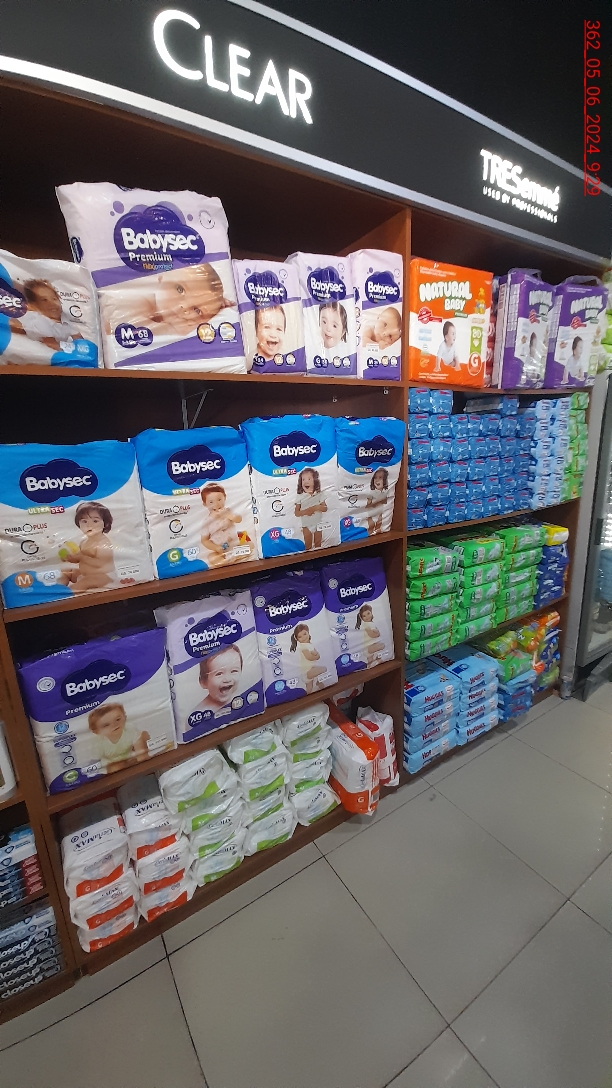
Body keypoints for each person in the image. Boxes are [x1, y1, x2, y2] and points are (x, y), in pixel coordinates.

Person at [101, 263, 234, 338]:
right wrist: (173, 329)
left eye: (197, 310)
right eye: (180, 289)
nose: (184, 307)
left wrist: (215, 307)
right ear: (161, 277)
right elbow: (124, 333)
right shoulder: (138, 301)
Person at [57, 501, 115, 593]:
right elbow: (79, 558)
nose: (89, 525)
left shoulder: (103, 543)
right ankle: (58, 587)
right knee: (66, 571)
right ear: (78, 524)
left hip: (103, 576)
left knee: (85, 582)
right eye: (84, 521)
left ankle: (68, 593)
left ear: (105, 523)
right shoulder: (84, 541)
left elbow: (100, 564)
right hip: (85, 574)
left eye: (95, 521)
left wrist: (82, 557)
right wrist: (70, 558)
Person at [9, 279, 80, 351]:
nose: (51, 303)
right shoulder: (39, 321)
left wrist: (81, 346)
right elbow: (52, 345)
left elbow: (79, 338)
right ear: (34, 306)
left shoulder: (65, 318)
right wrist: (76, 350)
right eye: (44, 300)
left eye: (54, 299)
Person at [88, 703, 150, 774]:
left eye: (118, 719)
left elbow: (141, 751)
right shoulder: (98, 742)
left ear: (125, 717)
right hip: (111, 762)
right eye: (106, 725)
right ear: (96, 731)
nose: (114, 725)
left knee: (144, 735)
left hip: (128, 755)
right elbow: (95, 762)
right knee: (115, 768)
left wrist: (142, 759)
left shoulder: (129, 729)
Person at [199, 483, 245, 564]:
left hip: (235, 545)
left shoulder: (229, 511)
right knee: (211, 557)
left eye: (219, 500)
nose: (216, 504)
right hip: (220, 550)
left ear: (225, 498)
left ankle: (235, 556)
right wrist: (216, 547)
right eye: (211, 502)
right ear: (205, 504)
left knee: (250, 544)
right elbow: (204, 540)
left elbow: (239, 519)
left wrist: (228, 515)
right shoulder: (207, 521)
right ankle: (228, 559)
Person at [193, 644, 243, 714]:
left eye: (234, 671)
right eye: (219, 674)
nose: (227, 679)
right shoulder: (199, 713)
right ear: (203, 682)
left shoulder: (242, 698)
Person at [290, 622, 328, 693]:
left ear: (308, 633)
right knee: (324, 668)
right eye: (300, 637)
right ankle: (317, 683)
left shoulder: (310, 644)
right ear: (297, 639)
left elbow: (318, 656)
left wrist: (316, 655)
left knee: (309, 687)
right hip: (306, 672)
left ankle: (316, 685)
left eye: (304, 634)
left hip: (310, 669)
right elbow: (309, 657)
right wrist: (315, 654)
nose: (303, 637)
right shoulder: (303, 647)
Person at [295, 468, 327, 550]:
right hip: (306, 525)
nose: (306, 482)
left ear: (315, 481)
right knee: (308, 546)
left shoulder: (319, 494)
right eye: (303, 479)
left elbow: (325, 508)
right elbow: (296, 513)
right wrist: (306, 512)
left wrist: (316, 507)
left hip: (318, 523)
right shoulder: (300, 496)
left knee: (318, 545)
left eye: (309, 479)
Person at [365, 467, 389, 534]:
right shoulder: (372, 492)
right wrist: (374, 504)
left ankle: (377, 530)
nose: (377, 480)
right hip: (371, 514)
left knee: (379, 523)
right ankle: (370, 532)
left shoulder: (384, 492)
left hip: (379, 513)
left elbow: (386, 502)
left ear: (385, 480)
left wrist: (383, 501)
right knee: (371, 525)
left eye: (380, 478)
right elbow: (368, 505)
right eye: (375, 478)